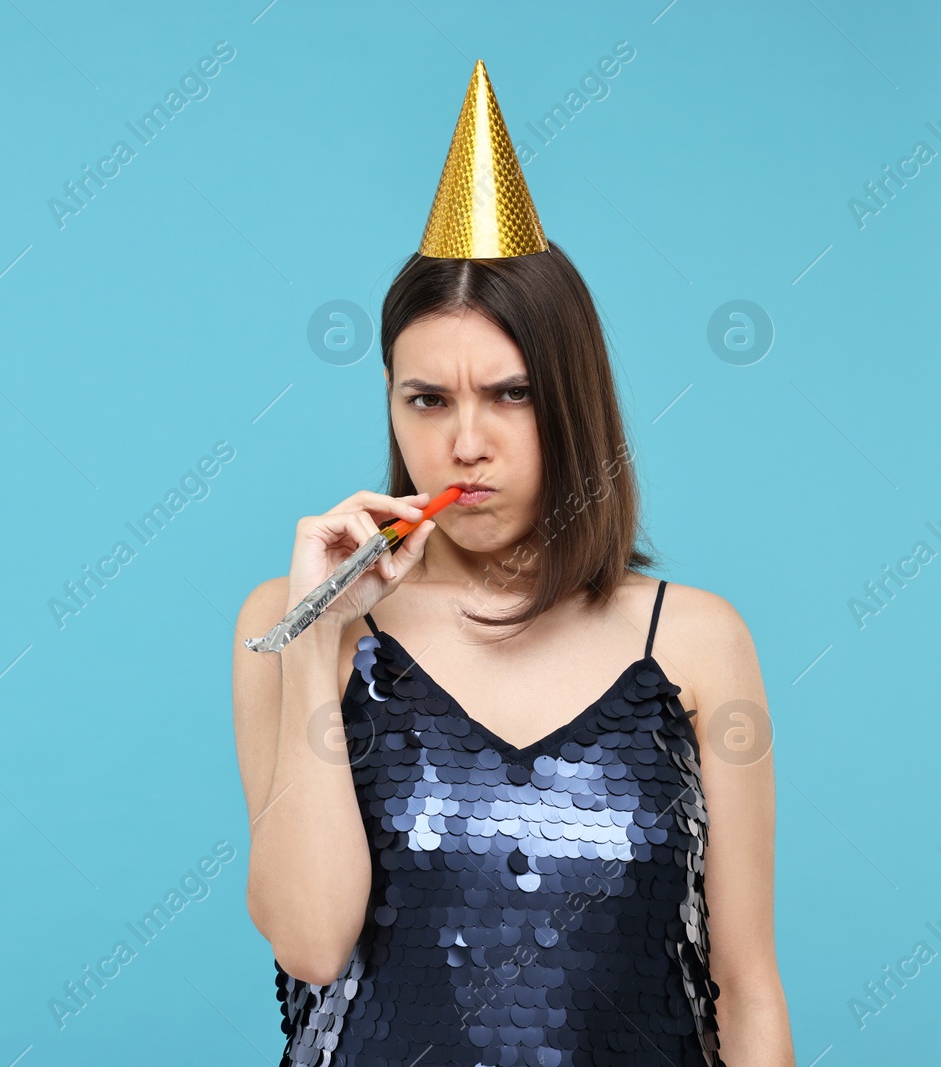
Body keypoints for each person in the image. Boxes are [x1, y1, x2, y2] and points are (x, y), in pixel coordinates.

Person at [232, 61, 792, 1067]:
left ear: (571, 401)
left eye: (511, 394)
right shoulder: (290, 619)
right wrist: (320, 644)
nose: (465, 442)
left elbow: (745, 985)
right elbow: (310, 941)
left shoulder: (697, 639)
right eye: (428, 400)